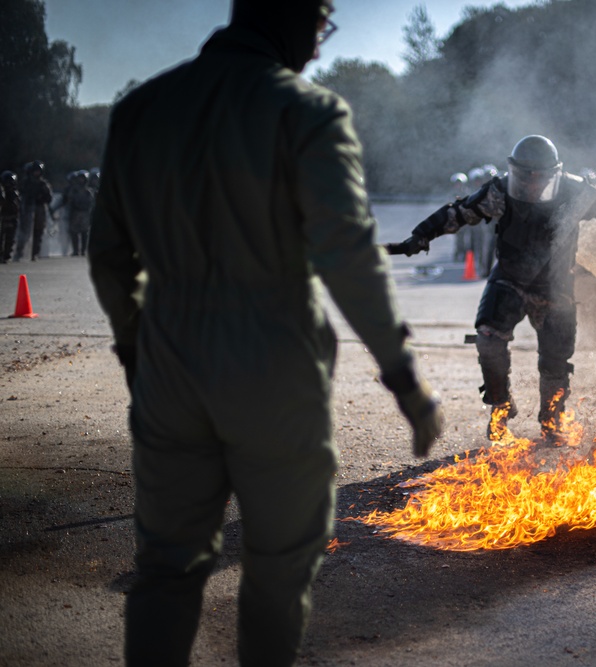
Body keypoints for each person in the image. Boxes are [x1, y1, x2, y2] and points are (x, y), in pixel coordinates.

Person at [87, 1, 443, 665]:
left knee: (166, 570)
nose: (319, 43)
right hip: (273, 367)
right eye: (317, 23)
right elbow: (350, 256)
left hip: (168, 366)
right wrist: (402, 375)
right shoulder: (307, 113)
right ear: (284, 17)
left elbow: (108, 254)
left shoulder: (141, 110)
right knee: (280, 568)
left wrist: (138, 350)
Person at [394, 134, 596, 444]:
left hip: (555, 287)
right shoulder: (500, 191)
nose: (531, 185)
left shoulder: (576, 193)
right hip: (510, 279)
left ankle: (552, 420)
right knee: (488, 340)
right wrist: (421, 235)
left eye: (539, 179)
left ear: (554, 175)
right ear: (514, 172)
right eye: (524, 178)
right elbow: (459, 212)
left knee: (555, 360)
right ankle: (500, 407)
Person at [14, 160, 52, 261]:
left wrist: (42, 197)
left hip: (39, 209)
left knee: (38, 233)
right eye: (35, 171)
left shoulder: (43, 184)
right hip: (27, 208)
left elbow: (48, 198)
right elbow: (20, 193)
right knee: (24, 232)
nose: (36, 173)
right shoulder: (26, 182)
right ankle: (19, 252)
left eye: (38, 171)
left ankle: (34, 253)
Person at [52, 170, 95, 256]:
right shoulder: (73, 190)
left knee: (84, 233)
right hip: (75, 213)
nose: (81, 180)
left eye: (83, 178)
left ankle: (83, 251)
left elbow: (91, 203)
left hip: (85, 214)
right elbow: (68, 201)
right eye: (80, 178)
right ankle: (76, 250)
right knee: (74, 233)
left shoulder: (88, 192)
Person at [0, 171, 18, 263]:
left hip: (11, 219)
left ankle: (6, 256)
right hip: (3, 218)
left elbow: (17, 207)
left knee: (10, 239)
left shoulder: (15, 193)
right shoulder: (2, 192)